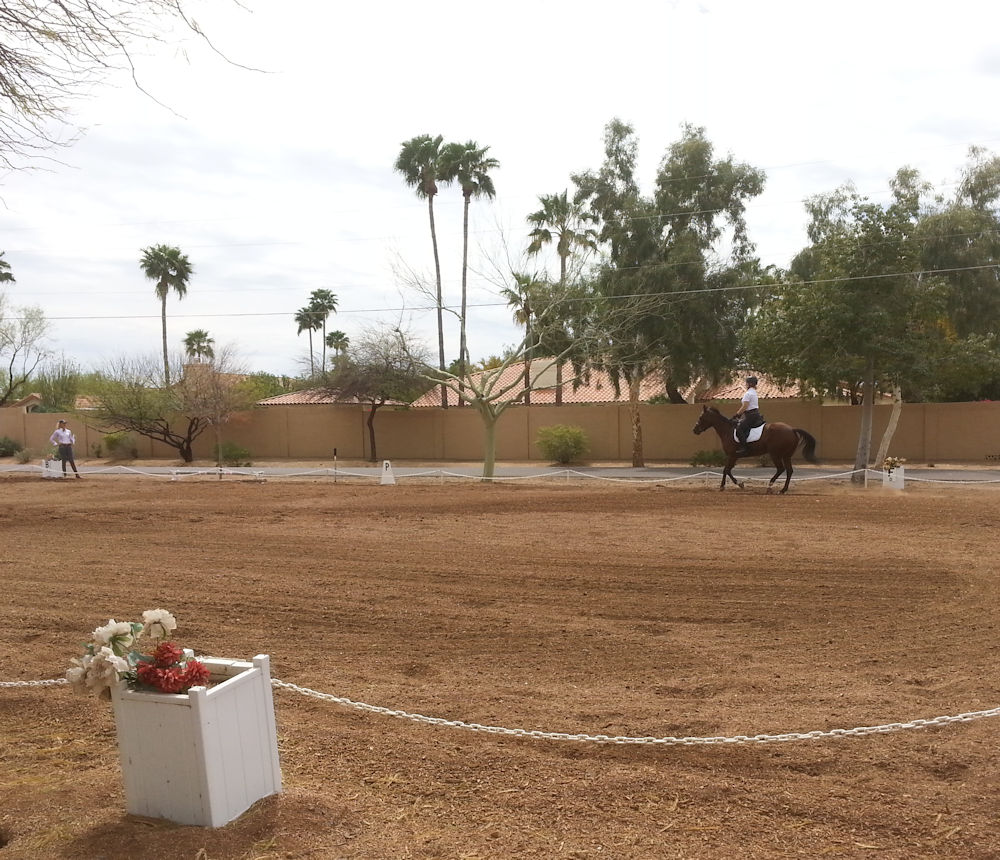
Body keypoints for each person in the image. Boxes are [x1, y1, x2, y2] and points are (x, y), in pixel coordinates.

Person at [733, 376, 765, 457]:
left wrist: (737, 414)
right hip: (755, 415)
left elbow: (745, 406)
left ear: (749, 384)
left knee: (739, 429)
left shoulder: (748, 394)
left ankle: (745, 448)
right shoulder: (754, 392)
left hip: (751, 416)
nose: (745, 384)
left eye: (746, 383)